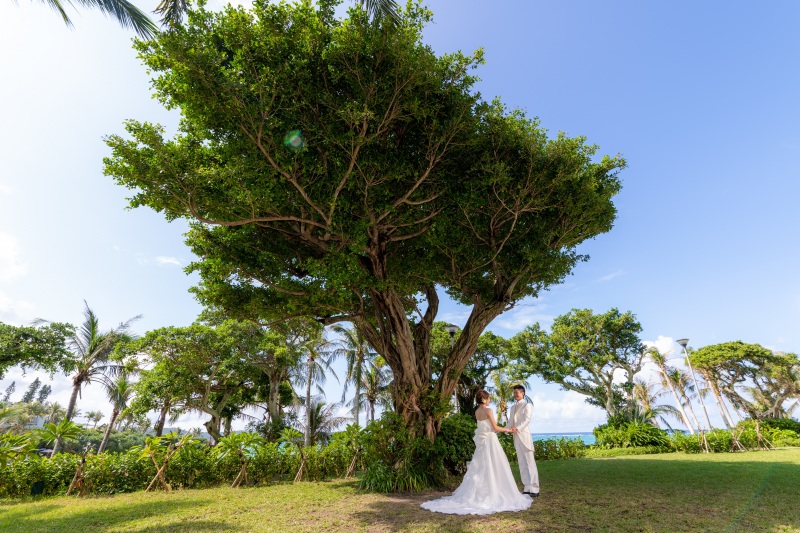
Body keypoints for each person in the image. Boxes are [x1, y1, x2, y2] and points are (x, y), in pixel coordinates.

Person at [420, 390, 532, 515]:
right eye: (488, 398)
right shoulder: (488, 411)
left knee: (481, 467)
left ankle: (482, 492)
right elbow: (494, 428)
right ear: (484, 399)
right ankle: (494, 492)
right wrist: (508, 430)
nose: (489, 400)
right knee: (495, 466)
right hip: (490, 440)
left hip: (482, 442)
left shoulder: (477, 411)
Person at [509, 384, 540, 497]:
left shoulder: (527, 405)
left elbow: (527, 420)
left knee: (530, 463)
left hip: (525, 437)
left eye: (517, 392)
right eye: (514, 393)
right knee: (521, 463)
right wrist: (505, 429)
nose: (515, 394)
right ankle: (527, 487)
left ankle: (535, 488)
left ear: (523, 393)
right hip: (516, 438)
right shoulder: (512, 408)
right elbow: (510, 422)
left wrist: (517, 428)